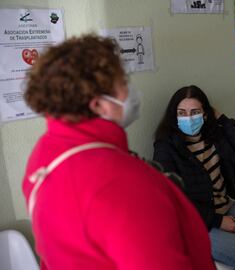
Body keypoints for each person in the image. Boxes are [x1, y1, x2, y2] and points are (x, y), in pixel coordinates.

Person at [22, 35, 215, 270]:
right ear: (97, 104)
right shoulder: (119, 181)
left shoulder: (46, 151)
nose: (131, 91)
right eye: (123, 83)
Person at [153, 85, 235, 270]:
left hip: (227, 206)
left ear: (205, 114)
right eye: (182, 113)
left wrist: (223, 119)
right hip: (195, 222)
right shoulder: (165, 148)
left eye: (195, 112)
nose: (188, 118)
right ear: (174, 116)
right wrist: (218, 221)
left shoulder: (214, 136)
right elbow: (172, 200)